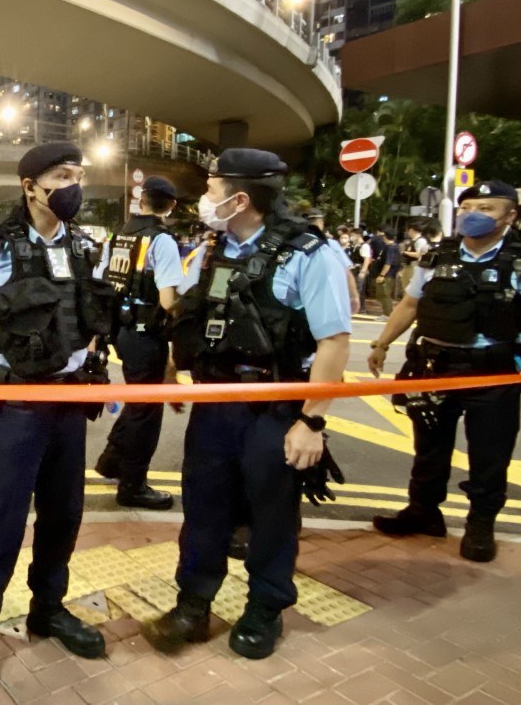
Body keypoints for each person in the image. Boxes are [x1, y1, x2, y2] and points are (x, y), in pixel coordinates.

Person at [0, 143, 116, 700]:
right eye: (62, 175)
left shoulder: (86, 246)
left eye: (78, 175)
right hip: (14, 406)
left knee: (64, 513)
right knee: (2, 517)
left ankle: (47, 609)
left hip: (69, 404)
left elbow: (90, 314)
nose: (74, 184)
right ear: (30, 186)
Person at [147, 149, 351, 661]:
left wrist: (311, 421)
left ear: (240, 198)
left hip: (274, 405)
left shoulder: (310, 254)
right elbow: (198, 314)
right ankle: (194, 602)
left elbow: (334, 344)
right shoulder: (216, 249)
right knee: (204, 507)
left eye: (212, 188)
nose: (204, 198)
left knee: (272, 512)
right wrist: (177, 361)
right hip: (216, 405)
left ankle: (266, 606)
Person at [370, 181, 521, 562]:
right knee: (428, 448)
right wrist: (381, 344)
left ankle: (481, 522)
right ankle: (423, 512)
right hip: (434, 368)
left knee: (490, 454)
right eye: (468, 207)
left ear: (510, 216)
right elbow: (410, 305)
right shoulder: (437, 258)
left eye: (487, 208)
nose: (473, 214)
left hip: (494, 375)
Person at [93, 176, 182, 509]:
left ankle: (112, 458)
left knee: (137, 399)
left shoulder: (119, 236)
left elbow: (100, 281)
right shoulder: (162, 241)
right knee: (146, 411)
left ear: (140, 200)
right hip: (147, 335)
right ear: (170, 205)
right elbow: (168, 299)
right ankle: (133, 485)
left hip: (121, 331)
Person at [308, 213, 361, 314]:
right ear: (320, 224)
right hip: (327, 296)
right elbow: (346, 270)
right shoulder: (330, 244)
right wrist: (353, 296)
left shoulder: (292, 244)